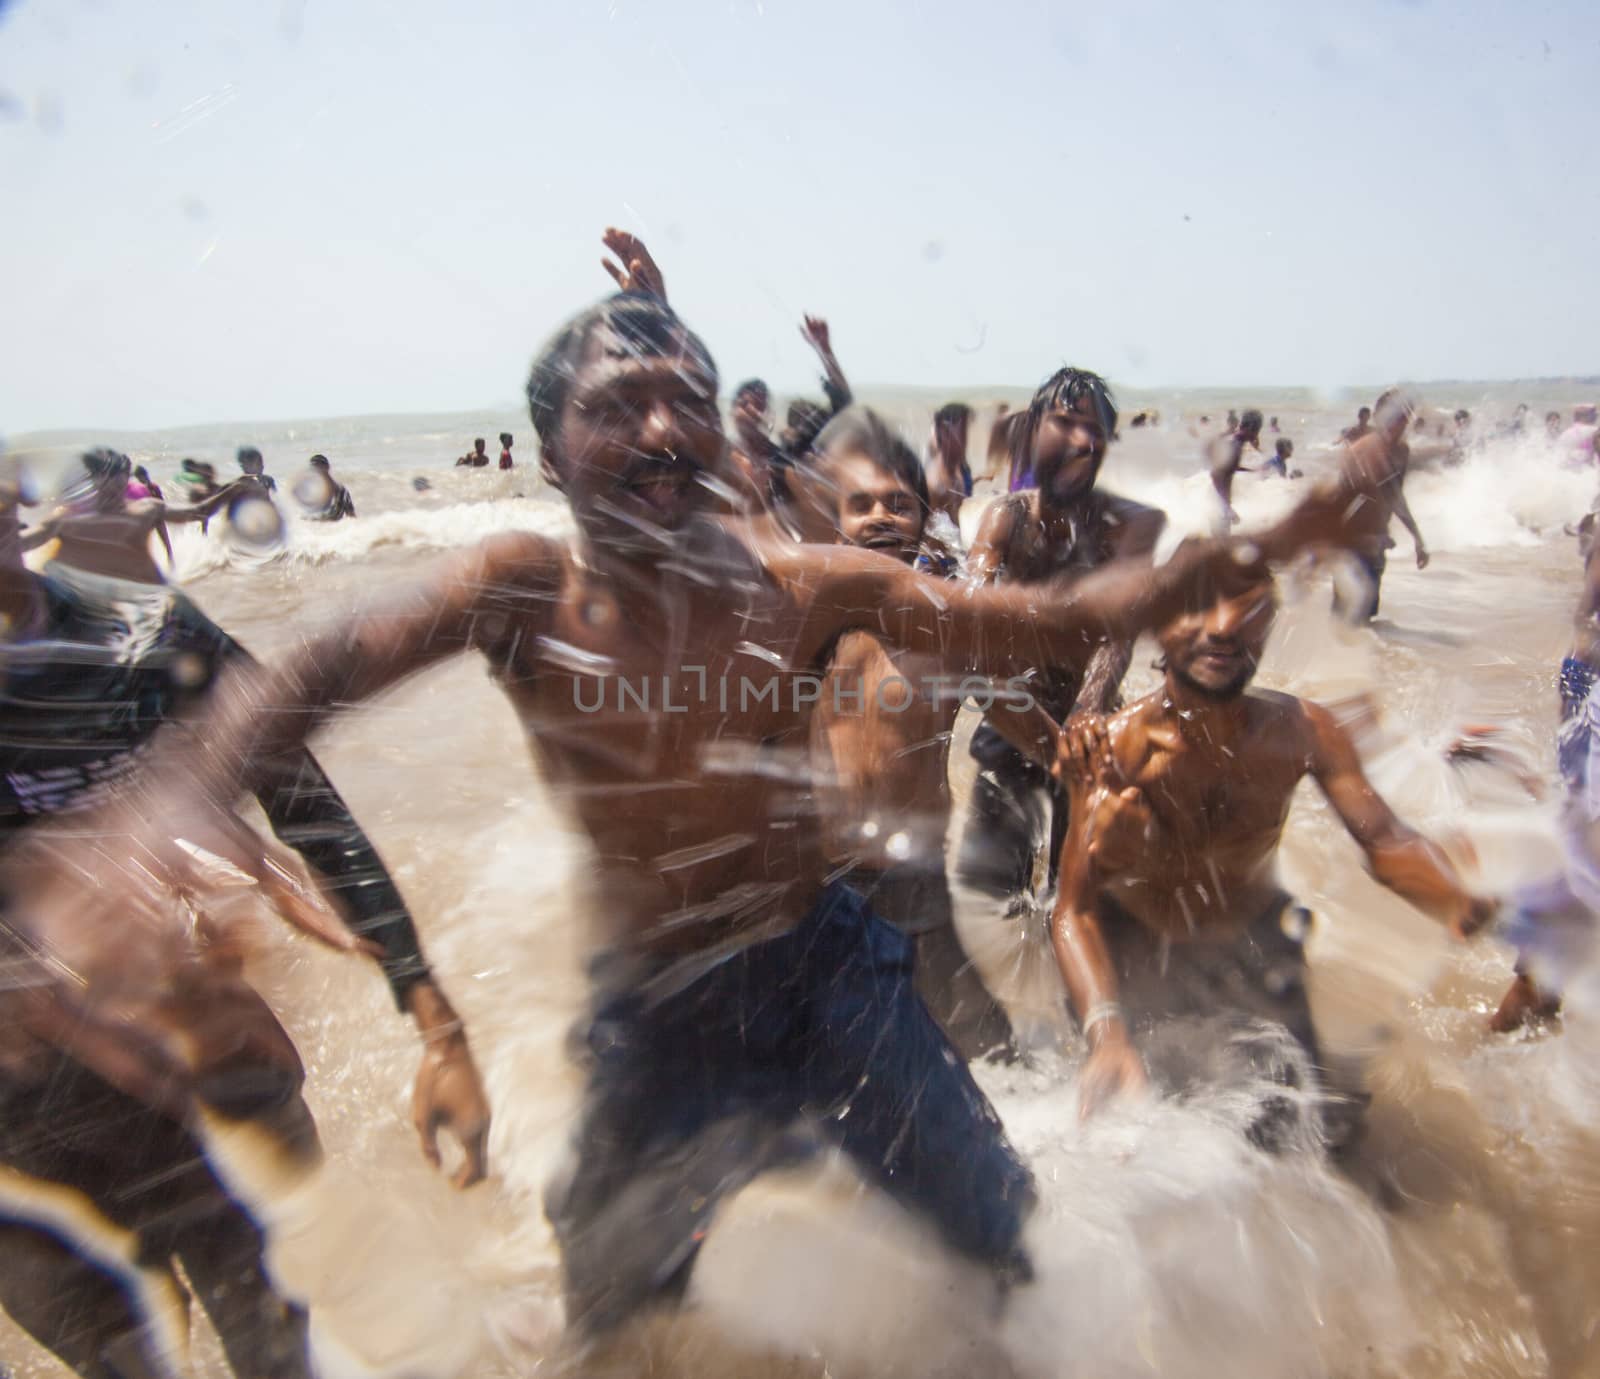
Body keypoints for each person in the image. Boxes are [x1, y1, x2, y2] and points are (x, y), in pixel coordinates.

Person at [15, 278, 1355, 1343]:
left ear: (720, 437)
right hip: (660, 1001)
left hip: (832, 968)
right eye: (621, 405)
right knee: (609, 1295)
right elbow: (312, 668)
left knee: (1000, 1231)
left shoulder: (805, 583)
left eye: (688, 403)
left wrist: (1247, 556)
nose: (661, 429)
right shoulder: (525, 587)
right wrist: (150, 814)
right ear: (552, 445)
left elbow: (1035, 617)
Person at [0, 475, 490, 1379]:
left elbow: (302, 797)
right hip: (24, 1124)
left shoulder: (138, 626)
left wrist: (429, 1012)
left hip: (200, 1066)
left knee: (275, 1347)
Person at [1046, 578, 1495, 1145]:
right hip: (1137, 950)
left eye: (1249, 605)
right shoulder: (1115, 753)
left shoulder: (1305, 732)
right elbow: (1073, 912)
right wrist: (1105, 1032)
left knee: (1325, 1140)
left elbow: (1385, 841)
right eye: (1199, 604)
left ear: (1270, 625)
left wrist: (1456, 894)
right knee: (1130, 1139)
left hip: (1251, 946)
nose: (1224, 625)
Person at [804, 406, 1016, 1060]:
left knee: (988, 1056)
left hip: (917, 880)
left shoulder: (948, 626)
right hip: (823, 881)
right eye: (860, 503)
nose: (880, 517)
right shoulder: (802, 620)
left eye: (900, 504)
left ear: (926, 518)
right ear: (831, 520)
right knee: (830, 1059)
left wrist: (1081, 748)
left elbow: (1014, 712)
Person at [956, 368, 1166, 905]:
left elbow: (1119, 631)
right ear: (1032, 431)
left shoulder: (1122, 524)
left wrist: (1087, 710)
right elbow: (970, 612)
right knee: (988, 898)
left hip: (1089, 730)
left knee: (1082, 899)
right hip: (1012, 719)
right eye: (1065, 422)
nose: (1081, 440)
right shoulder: (1005, 517)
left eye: (1093, 429)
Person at [1332, 389, 1429, 623]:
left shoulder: (1402, 452)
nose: (1399, 423)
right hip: (1351, 545)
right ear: (1378, 417)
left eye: (1404, 416)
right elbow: (1347, 504)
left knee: (1367, 621)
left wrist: (1417, 538)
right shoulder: (1362, 450)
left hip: (1377, 546)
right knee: (1345, 620)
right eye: (1393, 416)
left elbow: (1395, 496)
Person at [1207, 408, 1265, 526]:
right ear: (1250, 428)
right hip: (1220, 508)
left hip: (1218, 505)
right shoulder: (1236, 447)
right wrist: (1227, 508)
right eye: (1257, 430)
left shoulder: (1234, 442)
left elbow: (1228, 468)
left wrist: (1250, 471)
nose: (1257, 435)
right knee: (1221, 542)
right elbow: (1216, 474)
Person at [926, 401, 975, 525]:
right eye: (962, 434)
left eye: (966, 433)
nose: (966, 441)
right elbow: (930, 538)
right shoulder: (935, 484)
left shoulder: (957, 471)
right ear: (944, 432)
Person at [302, 454, 356, 521]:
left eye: (318, 468)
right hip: (317, 530)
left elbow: (352, 518)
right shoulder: (311, 491)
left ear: (327, 468)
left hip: (334, 529)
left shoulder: (341, 491)